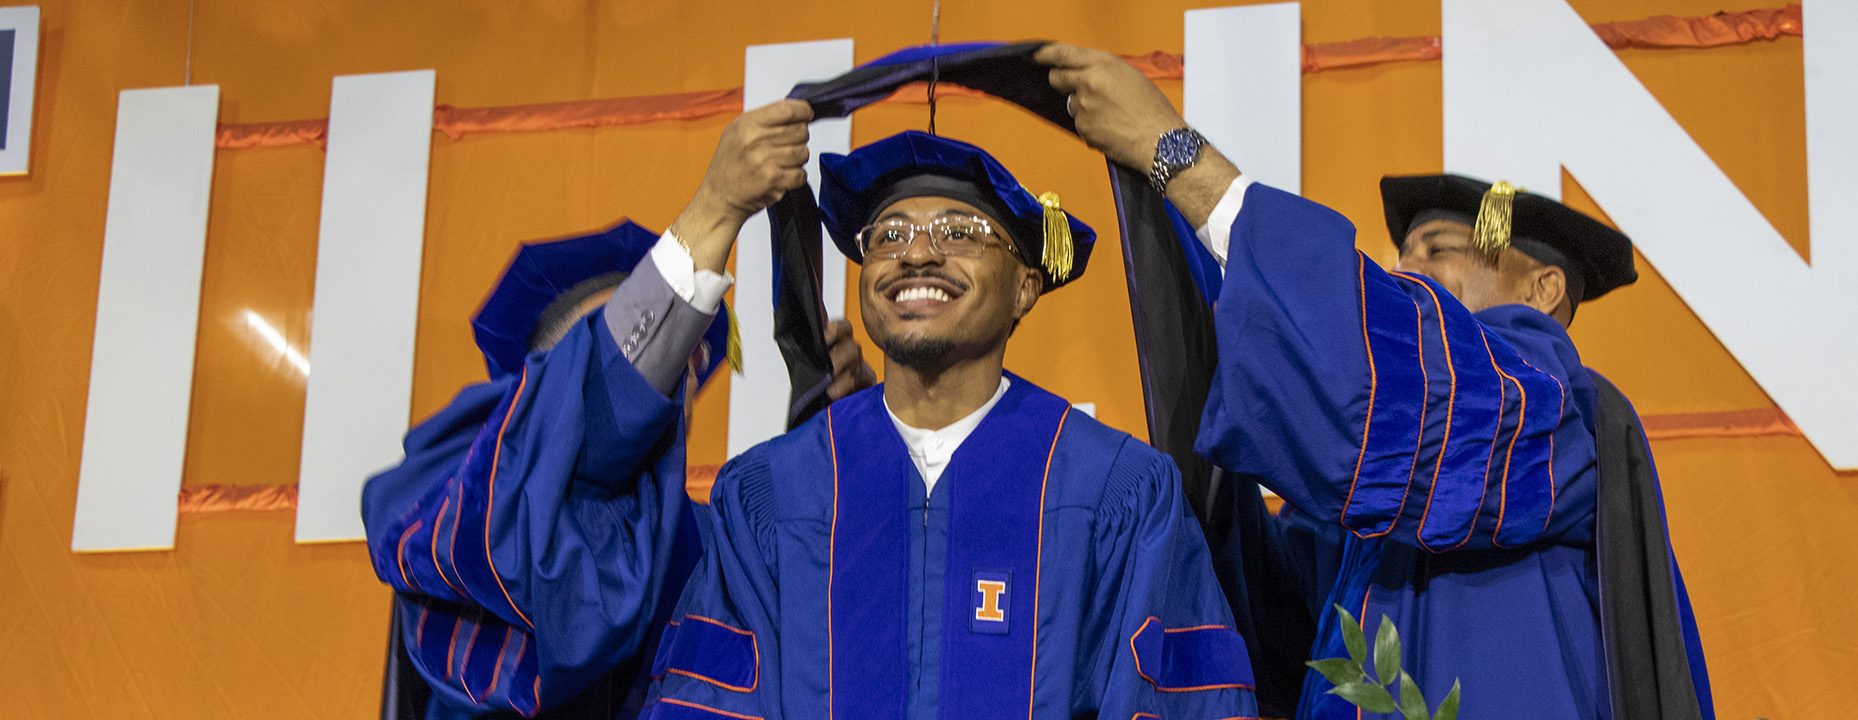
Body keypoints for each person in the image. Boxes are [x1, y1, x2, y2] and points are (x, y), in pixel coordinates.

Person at [1038, 44, 1713, 720]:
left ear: (1543, 288)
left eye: (1440, 250)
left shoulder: (1554, 408)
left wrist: (1175, 156)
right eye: (1402, 254)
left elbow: (1393, 381)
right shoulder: (1393, 496)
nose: (1405, 269)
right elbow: (1281, 620)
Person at [636, 130, 1257, 720]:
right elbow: (706, 699)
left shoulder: (1116, 489)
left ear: (1025, 287)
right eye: (888, 235)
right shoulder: (772, 493)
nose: (917, 254)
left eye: (960, 232)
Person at [361, 99, 875, 719]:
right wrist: (713, 210)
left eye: (684, 357)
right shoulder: (444, 496)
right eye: (618, 338)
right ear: (537, 388)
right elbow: (587, 432)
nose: (670, 368)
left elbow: (818, 631)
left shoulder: (715, 539)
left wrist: (837, 442)